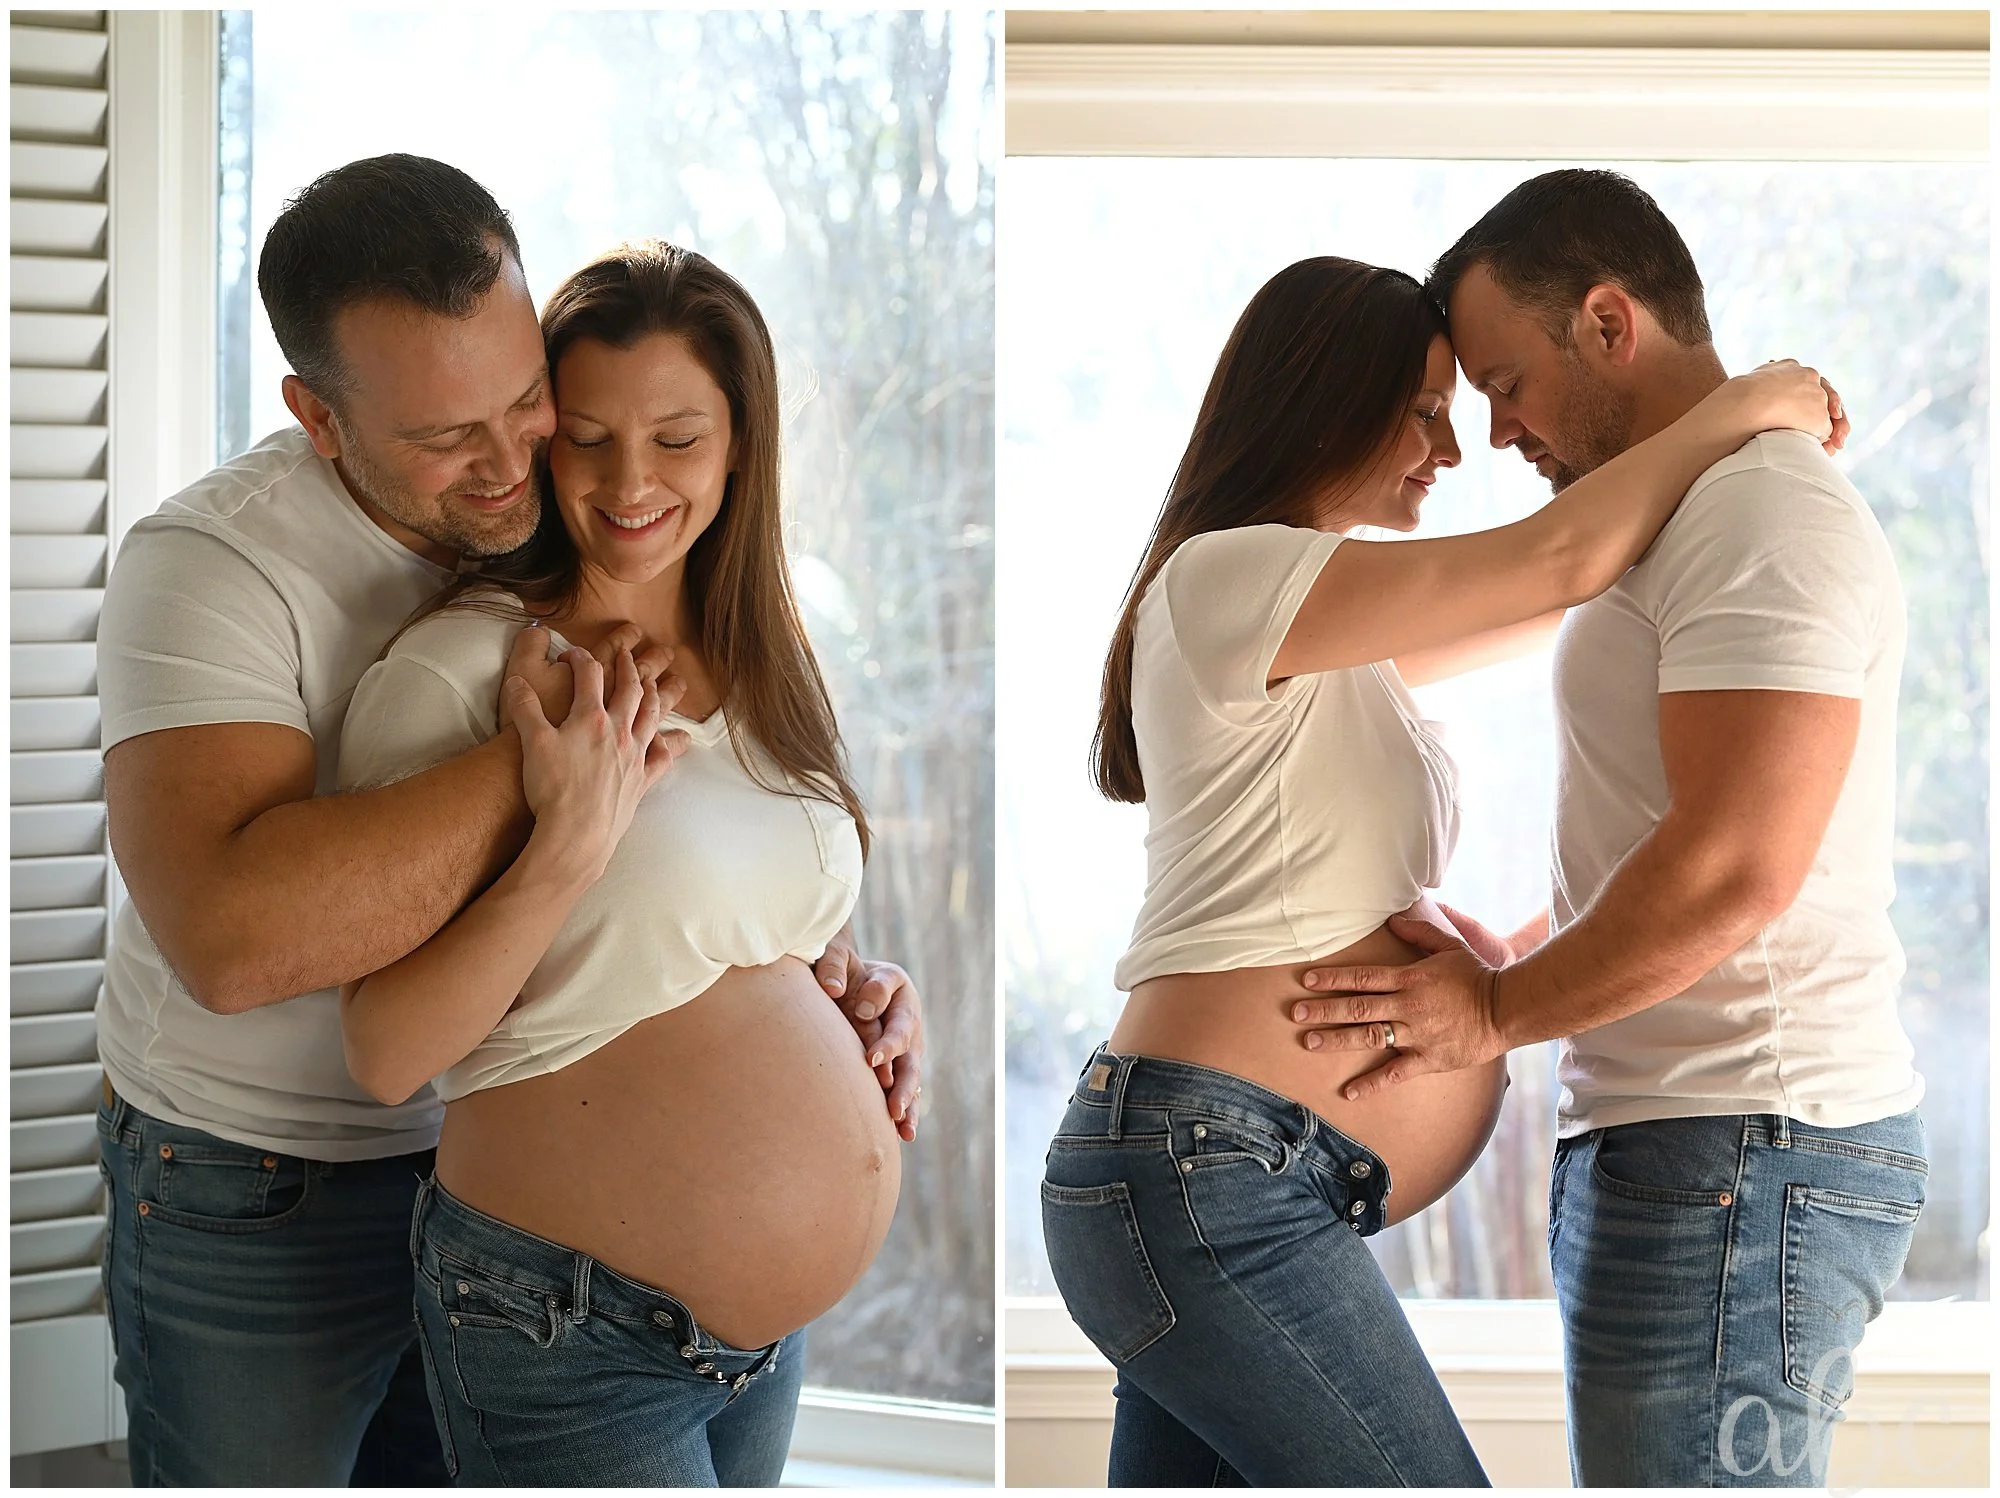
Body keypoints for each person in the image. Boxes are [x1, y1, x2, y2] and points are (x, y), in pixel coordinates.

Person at [94, 155, 921, 1487]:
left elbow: (670, 913)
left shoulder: (699, 618)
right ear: (319, 414)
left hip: (550, 1216)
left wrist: (835, 985)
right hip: (264, 1178)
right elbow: (234, 943)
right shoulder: (223, 571)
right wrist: (566, 763)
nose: (517, 462)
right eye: (445, 434)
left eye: (527, 399)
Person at [1041, 251, 1840, 1486]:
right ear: (1319, 401)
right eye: (1421, 413)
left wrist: (1521, 956)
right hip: (1207, 1175)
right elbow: (1557, 563)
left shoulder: (1334, 640)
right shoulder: (1230, 578)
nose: (1449, 449)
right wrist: (1736, 409)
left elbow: (1577, 593)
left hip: (1227, 1179)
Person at [1292, 170, 1922, 1487]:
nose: (1497, 427)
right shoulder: (1691, 514)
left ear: (1606, 321)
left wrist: (1494, 1009)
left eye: (1504, 379)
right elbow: (1675, 831)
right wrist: (1518, 944)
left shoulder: (1764, 515)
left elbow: (1737, 868)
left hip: (1743, 1150)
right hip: (1700, 1151)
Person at [332, 240, 909, 1487]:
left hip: (762, 1340)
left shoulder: (761, 664)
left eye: (677, 437)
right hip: (565, 1320)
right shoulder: (469, 673)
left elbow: (722, 936)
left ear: (740, 443)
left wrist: (855, 985)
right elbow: (384, 1052)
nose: (628, 480)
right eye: (586, 436)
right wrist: (566, 844)